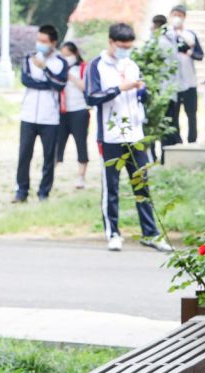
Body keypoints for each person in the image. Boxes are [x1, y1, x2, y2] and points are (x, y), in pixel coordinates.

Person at [85, 22, 174, 253]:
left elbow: (139, 95)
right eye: (121, 45)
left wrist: (140, 90)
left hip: (135, 134)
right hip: (111, 136)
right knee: (112, 187)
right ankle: (113, 232)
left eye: (128, 46)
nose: (125, 49)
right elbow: (92, 97)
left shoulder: (131, 64)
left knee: (141, 185)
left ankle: (151, 232)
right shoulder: (97, 66)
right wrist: (119, 88)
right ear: (111, 42)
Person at [14, 24, 67, 203]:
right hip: (28, 114)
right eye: (39, 40)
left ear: (53, 42)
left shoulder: (60, 62)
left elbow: (59, 84)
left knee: (49, 157)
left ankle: (44, 192)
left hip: (50, 116)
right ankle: (21, 191)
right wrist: (46, 83)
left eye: (44, 41)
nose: (40, 44)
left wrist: (45, 69)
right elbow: (26, 80)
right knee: (24, 155)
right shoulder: (30, 58)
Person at [163, 4, 204, 145]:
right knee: (173, 115)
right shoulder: (165, 34)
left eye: (180, 16)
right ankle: (176, 141)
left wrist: (188, 50)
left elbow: (200, 55)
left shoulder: (190, 34)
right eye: (175, 15)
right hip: (172, 84)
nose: (177, 18)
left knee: (191, 114)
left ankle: (192, 140)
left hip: (189, 82)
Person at [56, 41, 90, 190]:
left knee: (80, 143)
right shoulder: (58, 68)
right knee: (58, 144)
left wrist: (70, 76)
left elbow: (85, 87)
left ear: (74, 54)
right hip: (62, 111)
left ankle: (81, 177)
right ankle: (50, 174)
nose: (66, 58)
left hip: (80, 110)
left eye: (68, 55)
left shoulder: (83, 68)